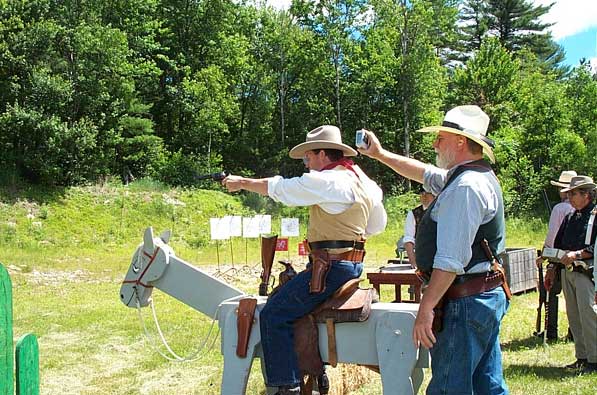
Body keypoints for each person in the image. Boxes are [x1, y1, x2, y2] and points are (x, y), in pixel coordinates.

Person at [221, 125, 387, 395]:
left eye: (308, 156)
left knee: (274, 313)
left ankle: (286, 386)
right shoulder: (363, 181)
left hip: (330, 268)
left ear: (322, 153)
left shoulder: (328, 181)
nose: (305, 162)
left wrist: (241, 183)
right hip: (350, 265)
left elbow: (282, 188)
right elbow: (377, 225)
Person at [359, 105, 509, 394]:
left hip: (466, 301)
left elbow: (451, 260)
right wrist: (379, 154)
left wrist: (426, 307)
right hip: (480, 297)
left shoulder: (466, 186)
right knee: (486, 386)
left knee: (449, 387)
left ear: (461, 142)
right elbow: (424, 173)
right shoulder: (470, 177)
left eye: (441, 137)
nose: (435, 144)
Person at [544, 175, 597, 374]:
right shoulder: (570, 217)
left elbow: (595, 246)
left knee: (589, 315)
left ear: (586, 195)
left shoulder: (595, 216)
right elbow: (559, 246)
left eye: (573, 193)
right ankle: (582, 357)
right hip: (568, 272)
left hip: (587, 273)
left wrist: (578, 254)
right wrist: (552, 269)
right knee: (574, 316)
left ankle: (594, 359)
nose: (570, 197)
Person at [535, 170, 576, 339]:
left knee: (552, 292)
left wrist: (544, 256)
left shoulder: (559, 208)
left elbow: (552, 237)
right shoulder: (581, 208)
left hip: (559, 257)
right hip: (576, 257)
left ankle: (551, 331)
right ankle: (574, 332)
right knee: (574, 298)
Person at [403, 187, 435, 268]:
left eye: (427, 193)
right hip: (422, 257)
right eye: (421, 193)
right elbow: (408, 239)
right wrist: (414, 262)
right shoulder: (414, 214)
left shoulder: (443, 211)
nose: (424, 196)